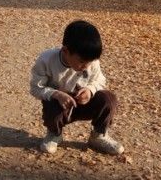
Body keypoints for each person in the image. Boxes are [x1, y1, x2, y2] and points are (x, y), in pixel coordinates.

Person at [30, 20, 124, 155]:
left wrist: (90, 90)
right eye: (81, 62)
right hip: (60, 107)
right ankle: (54, 134)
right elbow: (35, 88)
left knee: (108, 98)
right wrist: (56, 94)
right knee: (50, 104)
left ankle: (98, 136)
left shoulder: (90, 61)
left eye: (89, 62)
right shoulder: (46, 60)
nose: (86, 66)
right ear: (66, 51)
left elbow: (100, 80)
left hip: (83, 103)